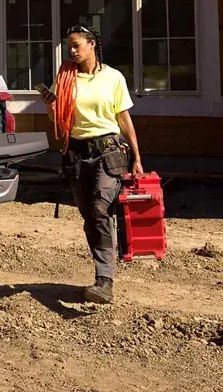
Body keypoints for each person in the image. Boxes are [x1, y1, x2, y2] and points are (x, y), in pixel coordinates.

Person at [40, 24, 143, 304]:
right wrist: (51, 106)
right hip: (75, 154)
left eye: (76, 45)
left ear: (92, 45)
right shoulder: (65, 78)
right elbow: (57, 118)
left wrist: (136, 157)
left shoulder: (113, 78)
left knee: (100, 208)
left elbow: (124, 119)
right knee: (89, 216)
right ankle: (103, 270)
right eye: (68, 46)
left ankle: (104, 281)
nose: (71, 51)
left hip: (108, 152)